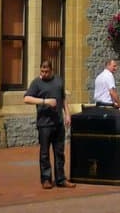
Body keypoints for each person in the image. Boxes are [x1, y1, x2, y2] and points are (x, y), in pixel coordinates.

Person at [23, 59, 75, 189]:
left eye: (46, 71)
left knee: (59, 153)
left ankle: (61, 179)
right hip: (44, 124)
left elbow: (63, 99)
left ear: (52, 70)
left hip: (58, 123)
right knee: (44, 153)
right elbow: (26, 98)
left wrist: (67, 114)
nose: (44, 74)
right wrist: (45, 101)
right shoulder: (36, 83)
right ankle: (46, 179)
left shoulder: (58, 81)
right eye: (42, 71)